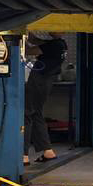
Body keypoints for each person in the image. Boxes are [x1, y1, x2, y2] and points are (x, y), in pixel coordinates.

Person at [24, 32, 67, 164]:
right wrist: (27, 32)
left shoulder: (55, 45)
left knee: (26, 113)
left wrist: (16, 38)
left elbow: (29, 50)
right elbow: (36, 41)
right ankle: (48, 151)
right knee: (36, 113)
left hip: (40, 80)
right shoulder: (61, 44)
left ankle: (23, 154)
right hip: (45, 81)